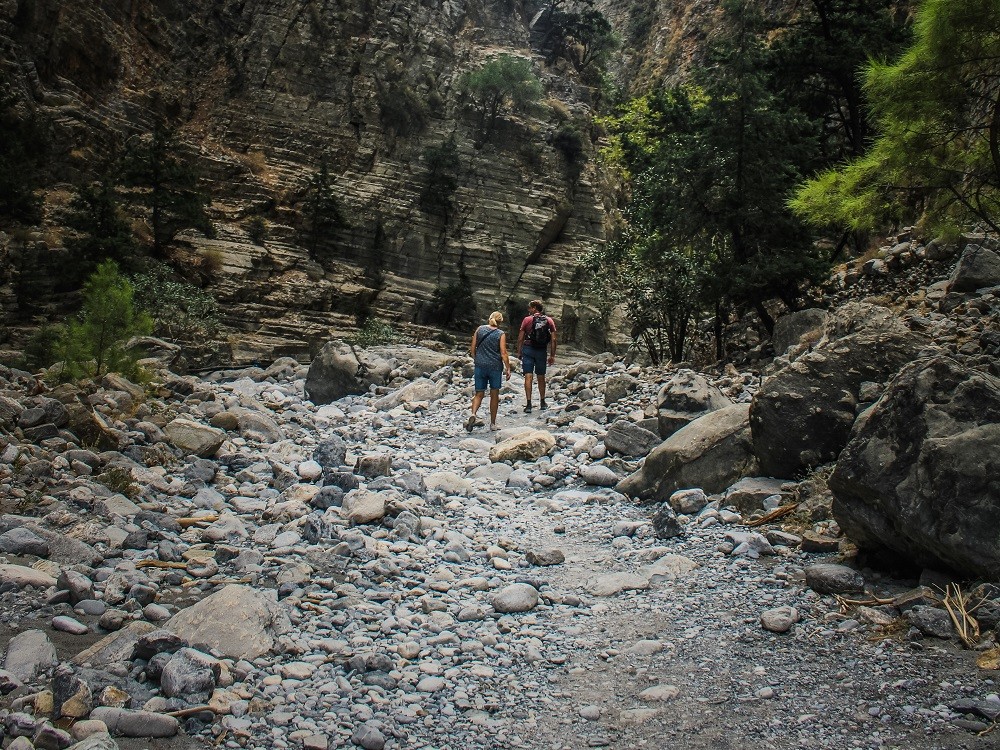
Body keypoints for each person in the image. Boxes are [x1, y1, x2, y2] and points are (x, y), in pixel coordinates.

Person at [467, 311, 511, 431]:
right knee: (494, 395)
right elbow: (503, 352)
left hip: (480, 365)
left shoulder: (479, 329)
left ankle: (473, 414)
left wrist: (477, 359)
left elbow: (473, 347)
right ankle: (492, 423)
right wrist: (508, 367)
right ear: (500, 322)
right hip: (495, 367)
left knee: (479, 393)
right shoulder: (500, 334)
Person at [516, 299, 556, 413]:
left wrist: (519, 352)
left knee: (528, 376)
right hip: (541, 350)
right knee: (541, 376)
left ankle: (529, 404)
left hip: (528, 349)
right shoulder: (549, 320)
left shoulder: (527, 320)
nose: (529, 310)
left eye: (530, 308)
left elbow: (520, 338)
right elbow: (553, 339)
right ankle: (542, 402)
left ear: (534, 308)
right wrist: (552, 355)